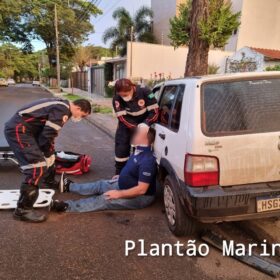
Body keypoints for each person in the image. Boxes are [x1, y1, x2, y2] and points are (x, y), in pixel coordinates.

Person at [4, 98, 92, 223]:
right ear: (78, 108)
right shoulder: (63, 110)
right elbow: (48, 134)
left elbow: (47, 135)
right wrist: (44, 152)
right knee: (36, 167)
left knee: (49, 156)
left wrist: (49, 153)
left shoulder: (61, 105)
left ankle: (48, 182)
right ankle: (22, 210)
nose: (79, 118)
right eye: (82, 115)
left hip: (25, 130)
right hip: (19, 130)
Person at [51, 125, 157, 213]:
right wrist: (122, 176)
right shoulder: (139, 151)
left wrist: (118, 194)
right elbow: (134, 169)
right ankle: (69, 186)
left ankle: (66, 206)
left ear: (144, 138)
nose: (134, 135)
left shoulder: (148, 160)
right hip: (123, 184)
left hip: (140, 198)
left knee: (105, 199)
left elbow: (141, 190)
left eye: (137, 133)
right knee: (100, 184)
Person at [112, 78, 159, 175]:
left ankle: (136, 172)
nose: (123, 97)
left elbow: (154, 112)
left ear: (132, 88)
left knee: (140, 147)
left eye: (125, 94)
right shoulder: (117, 98)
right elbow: (121, 117)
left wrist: (146, 123)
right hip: (126, 123)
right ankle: (119, 173)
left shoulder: (145, 91)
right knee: (121, 147)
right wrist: (135, 127)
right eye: (121, 95)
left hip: (144, 121)